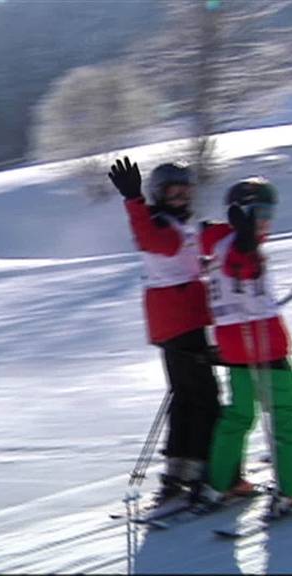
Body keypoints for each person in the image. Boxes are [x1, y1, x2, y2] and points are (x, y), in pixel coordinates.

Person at [194, 176, 292, 509]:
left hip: (235, 345)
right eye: (260, 211)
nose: (266, 220)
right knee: (284, 414)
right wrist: (248, 245)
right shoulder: (239, 246)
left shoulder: (219, 244)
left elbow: (243, 293)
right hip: (262, 344)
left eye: (270, 212)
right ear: (242, 212)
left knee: (238, 415)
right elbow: (244, 269)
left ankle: (221, 481)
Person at [108, 156, 221, 506]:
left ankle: (178, 468)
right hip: (178, 319)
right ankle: (202, 467)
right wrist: (133, 201)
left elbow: (186, 251)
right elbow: (150, 240)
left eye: (185, 192)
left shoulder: (178, 224)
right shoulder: (159, 224)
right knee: (205, 398)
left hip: (178, 319)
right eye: (173, 193)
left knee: (186, 395)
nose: (181, 198)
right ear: (159, 195)